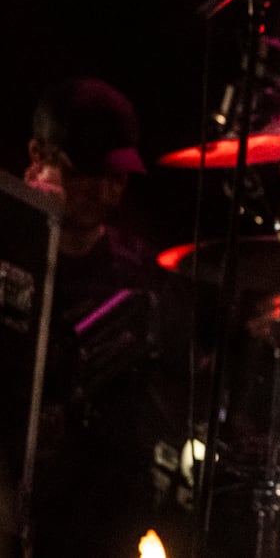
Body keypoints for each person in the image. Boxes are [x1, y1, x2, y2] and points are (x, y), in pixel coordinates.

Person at [22, 77, 176, 556]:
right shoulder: (9, 247)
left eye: (119, 176)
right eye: (89, 171)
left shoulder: (137, 279)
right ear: (38, 156)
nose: (106, 190)